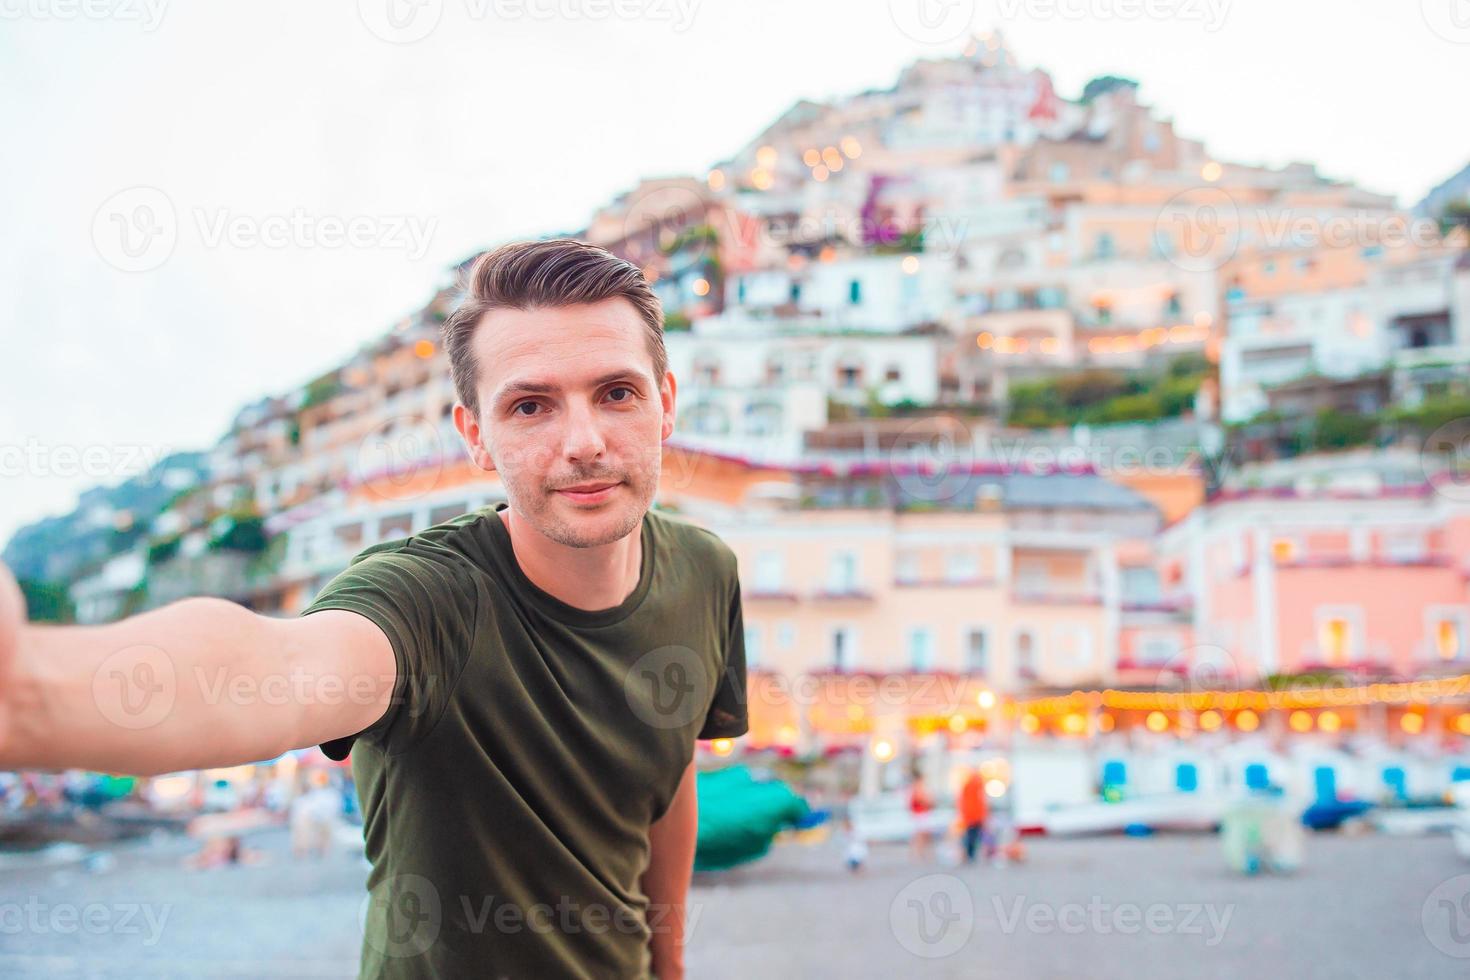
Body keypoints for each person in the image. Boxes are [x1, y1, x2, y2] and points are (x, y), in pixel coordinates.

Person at [0, 240, 749, 980]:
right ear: (476, 438)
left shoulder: (706, 574)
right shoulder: (426, 600)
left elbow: (669, 775)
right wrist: (29, 694)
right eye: (530, 406)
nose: (584, 443)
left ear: (666, 404)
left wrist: (669, 962)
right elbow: (277, 668)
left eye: (616, 393)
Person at [957, 768, 990, 864]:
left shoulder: (971, 786)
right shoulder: (974, 786)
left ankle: (970, 855)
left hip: (973, 816)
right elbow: (979, 803)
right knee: (972, 837)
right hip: (973, 817)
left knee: (972, 836)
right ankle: (969, 855)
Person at [908, 773, 935, 861]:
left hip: (921, 813)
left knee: (922, 834)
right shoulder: (917, 788)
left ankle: (920, 852)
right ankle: (919, 852)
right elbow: (921, 800)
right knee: (920, 834)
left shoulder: (916, 788)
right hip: (920, 813)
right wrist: (928, 801)